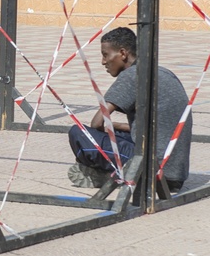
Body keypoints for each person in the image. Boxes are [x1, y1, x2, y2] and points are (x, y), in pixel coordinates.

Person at [67, 27, 192, 192]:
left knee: (80, 133)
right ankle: (116, 172)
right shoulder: (162, 72)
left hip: (153, 168)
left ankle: (111, 174)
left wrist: (110, 128)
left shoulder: (132, 75)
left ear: (123, 53)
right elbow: (154, 128)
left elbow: (97, 123)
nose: (103, 62)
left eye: (106, 55)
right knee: (117, 134)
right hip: (175, 173)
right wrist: (118, 126)